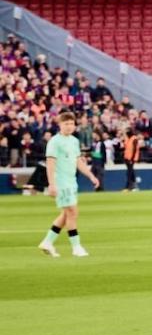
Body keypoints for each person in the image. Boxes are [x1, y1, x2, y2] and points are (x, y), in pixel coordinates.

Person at [37, 111, 100, 258]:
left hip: (71, 181)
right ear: (60, 125)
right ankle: (76, 247)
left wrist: (91, 175)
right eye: (66, 124)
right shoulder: (54, 141)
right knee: (72, 212)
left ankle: (47, 242)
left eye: (72, 123)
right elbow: (50, 163)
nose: (70, 126)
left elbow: (78, 161)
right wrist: (52, 184)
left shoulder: (74, 141)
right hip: (61, 182)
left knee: (67, 214)